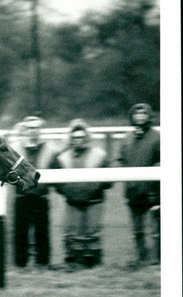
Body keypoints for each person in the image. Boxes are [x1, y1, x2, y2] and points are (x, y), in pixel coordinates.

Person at [50, 119, 111, 268]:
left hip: (94, 201)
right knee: (73, 234)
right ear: (71, 138)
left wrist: (92, 189)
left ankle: (94, 265)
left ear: (87, 137)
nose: (78, 140)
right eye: (75, 137)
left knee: (93, 233)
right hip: (72, 202)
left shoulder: (100, 155)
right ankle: (74, 263)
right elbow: (55, 180)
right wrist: (69, 192)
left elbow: (109, 180)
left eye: (81, 137)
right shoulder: (62, 158)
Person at [115, 103, 160, 266]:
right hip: (133, 192)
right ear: (132, 117)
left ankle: (158, 260)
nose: (140, 116)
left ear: (148, 116)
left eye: (143, 113)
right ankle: (141, 259)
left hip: (153, 192)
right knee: (138, 230)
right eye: (136, 114)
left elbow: (161, 161)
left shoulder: (157, 137)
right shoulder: (127, 138)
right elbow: (120, 160)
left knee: (156, 230)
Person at [12, 115, 54, 268]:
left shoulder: (50, 149)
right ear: (25, 129)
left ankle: (43, 263)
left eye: (36, 128)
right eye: (30, 128)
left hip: (41, 197)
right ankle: (20, 264)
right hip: (22, 196)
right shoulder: (15, 148)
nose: (32, 131)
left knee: (42, 232)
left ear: (40, 130)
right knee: (20, 232)